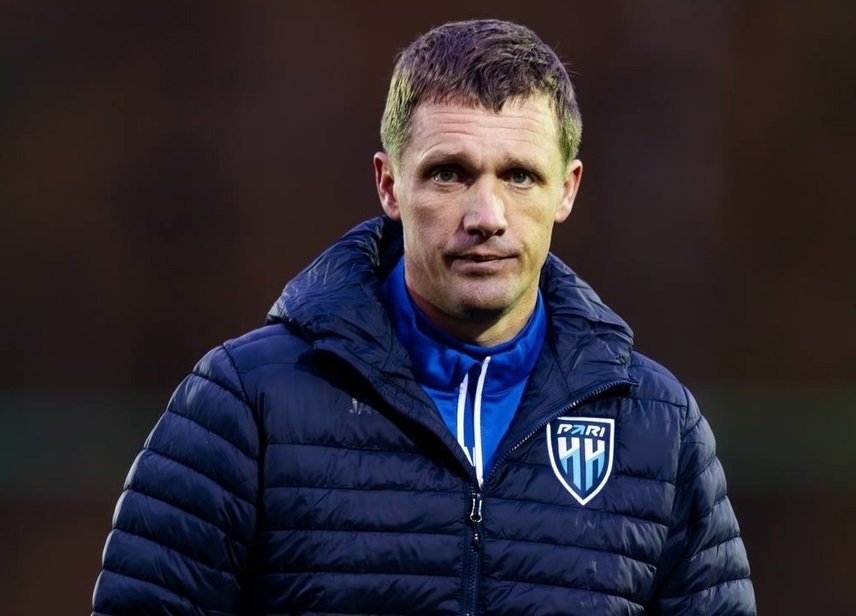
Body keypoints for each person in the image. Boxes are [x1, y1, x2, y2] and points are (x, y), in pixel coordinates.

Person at [92, 18, 755, 616]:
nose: (487, 216)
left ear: (567, 190)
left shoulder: (658, 428)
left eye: (520, 176)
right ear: (389, 185)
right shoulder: (244, 404)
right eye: (449, 174)